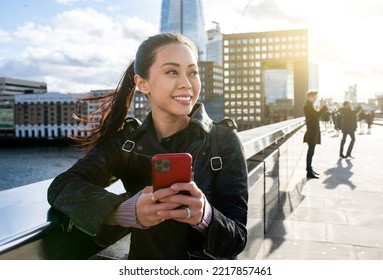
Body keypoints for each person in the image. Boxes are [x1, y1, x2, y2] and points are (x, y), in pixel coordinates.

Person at [47, 33, 248, 260]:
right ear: (142, 83)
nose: (186, 83)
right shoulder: (127, 143)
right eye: (172, 71)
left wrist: (205, 216)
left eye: (192, 72)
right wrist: (125, 212)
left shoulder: (223, 140)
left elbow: (238, 238)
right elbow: (62, 187)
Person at [303, 90, 328, 179]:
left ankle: (310, 169)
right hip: (311, 131)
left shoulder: (310, 106)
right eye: (314, 97)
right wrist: (324, 107)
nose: (315, 99)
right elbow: (317, 115)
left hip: (313, 131)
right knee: (311, 151)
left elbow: (315, 115)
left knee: (311, 151)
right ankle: (309, 171)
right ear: (310, 97)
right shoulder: (307, 106)